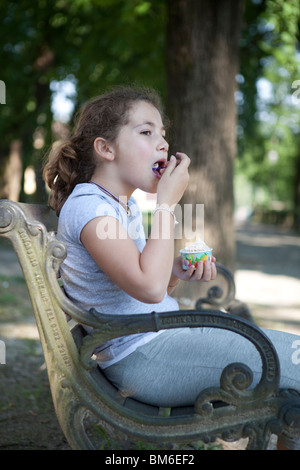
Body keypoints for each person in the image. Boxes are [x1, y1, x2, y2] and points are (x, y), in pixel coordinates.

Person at [43, 86, 300, 449]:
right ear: (106, 148)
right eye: (146, 132)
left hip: (158, 341)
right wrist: (165, 205)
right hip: (146, 357)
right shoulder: (90, 207)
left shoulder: (118, 206)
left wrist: (175, 272)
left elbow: (147, 285)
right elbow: (148, 289)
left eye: (163, 134)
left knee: (291, 365)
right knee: (292, 359)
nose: (163, 144)